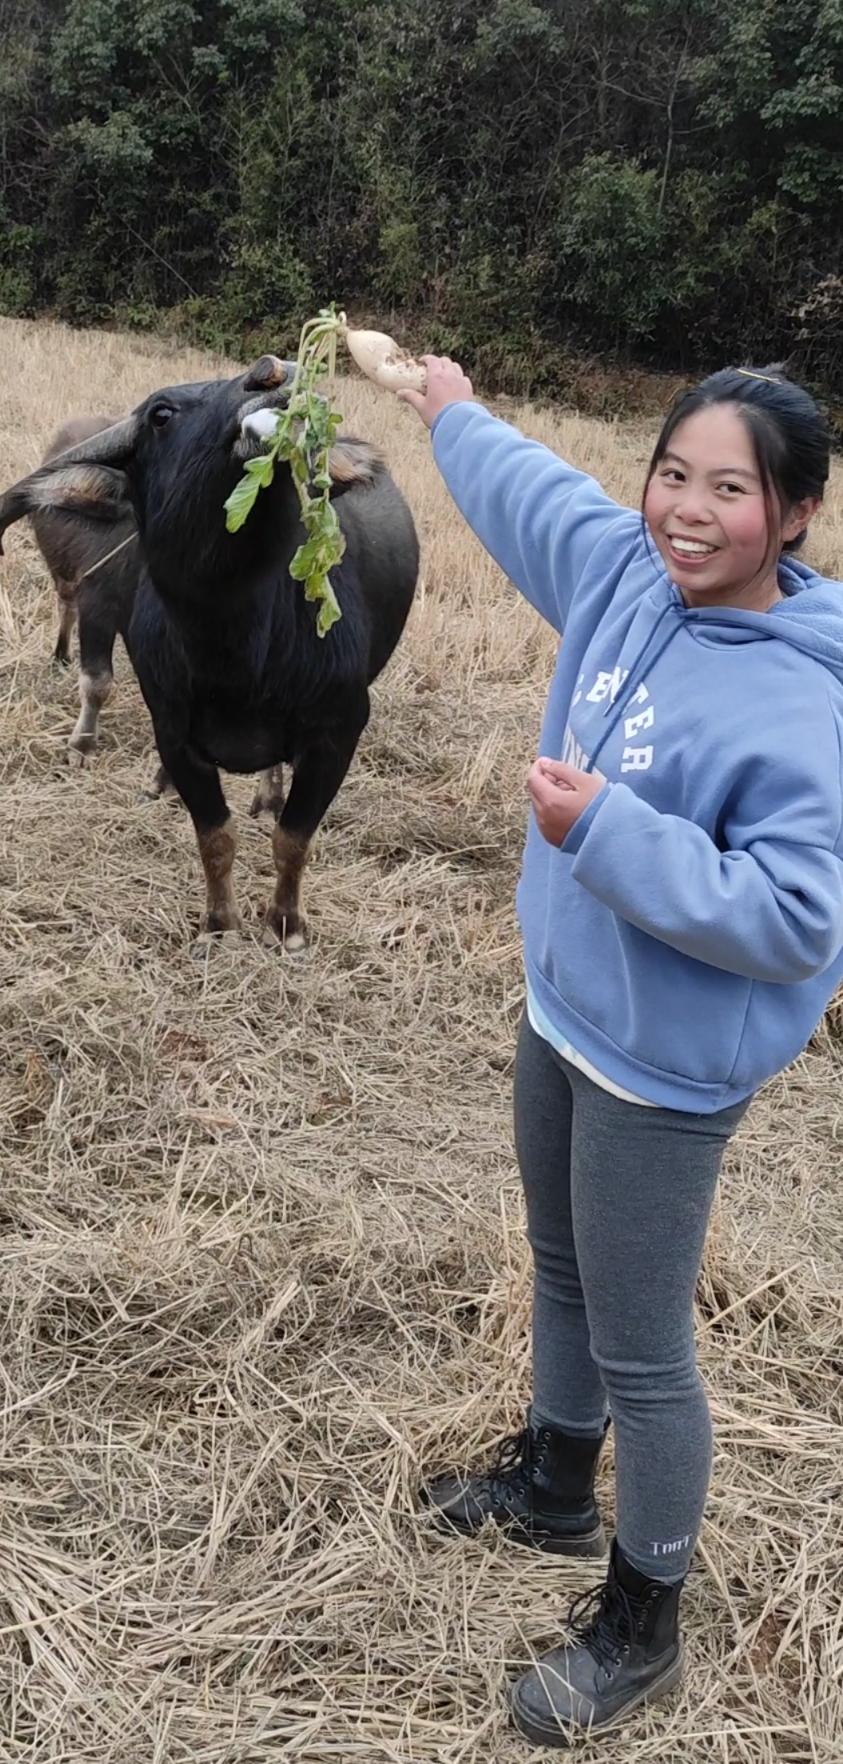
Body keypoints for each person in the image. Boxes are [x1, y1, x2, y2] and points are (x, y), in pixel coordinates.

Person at [399, 357, 843, 1746]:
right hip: (564, 1009)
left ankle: (642, 1621)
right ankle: (548, 1484)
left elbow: (794, 918)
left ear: (798, 513)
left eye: (732, 489)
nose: (690, 512)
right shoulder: (627, 576)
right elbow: (536, 499)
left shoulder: (804, 707)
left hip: (667, 1071)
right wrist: (452, 412)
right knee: (558, 1269)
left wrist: (606, 832)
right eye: (674, 475)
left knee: (648, 1347)